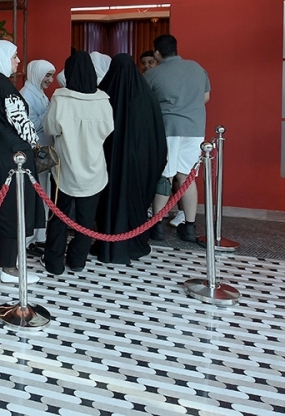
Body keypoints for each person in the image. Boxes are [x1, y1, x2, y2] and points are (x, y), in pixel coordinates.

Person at [42, 51, 114, 274]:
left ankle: (54, 263)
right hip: (94, 169)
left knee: (58, 217)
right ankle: (77, 260)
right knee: (86, 219)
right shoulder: (103, 99)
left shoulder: (60, 98)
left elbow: (50, 128)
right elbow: (108, 130)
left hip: (64, 169)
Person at [94, 53, 168, 263]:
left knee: (109, 201)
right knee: (134, 200)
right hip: (139, 164)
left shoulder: (104, 93)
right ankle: (134, 242)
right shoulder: (146, 96)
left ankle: (106, 243)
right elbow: (157, 136)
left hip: (108, 162)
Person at [0, 40, 41, 284]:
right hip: (14, 159)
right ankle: (9, 268)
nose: (18, 61)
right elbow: (23, 126)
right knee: (14, 208)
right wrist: (35, 143)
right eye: (14, 56)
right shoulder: (5, 88)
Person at [145, 34, 211, 243]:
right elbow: (206, 97)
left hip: (168, 129)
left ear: (157, 52)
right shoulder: (197, 68)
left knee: (165, 177)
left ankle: (156, 226)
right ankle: (189, 226)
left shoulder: (153, 74)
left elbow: (145, 103)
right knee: (187, 177)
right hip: (195, 129)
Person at [19, 59, 55, 248]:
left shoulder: (38, 93)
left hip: (43, 154)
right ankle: (29, 239)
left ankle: (39, 236)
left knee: (43, 195)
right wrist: (51, 113)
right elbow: (28, 125)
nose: (50, 80)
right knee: (35, 196)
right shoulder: (26, 95)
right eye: (47, 75)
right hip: (34, 153)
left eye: (51, 75)